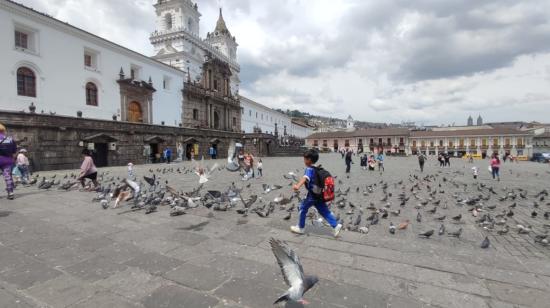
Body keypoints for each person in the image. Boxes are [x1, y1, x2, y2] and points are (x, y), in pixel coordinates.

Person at [291, 149, 342, 237]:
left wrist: (297, 186)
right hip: (320, 195)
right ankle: (336, 225)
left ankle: (300, 227)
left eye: (304, 159)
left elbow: (305, 178)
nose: (304, 161)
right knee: (324, 211)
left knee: (302, 208)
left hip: (312, 196)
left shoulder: (309, 169)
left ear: (309, 160)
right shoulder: (318, 168)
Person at [0, 123, 16, 200]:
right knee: (8, 177)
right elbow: (14, 151)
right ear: (3, 130)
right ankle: (10, 193)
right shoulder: (10, 139)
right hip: (7, 160)